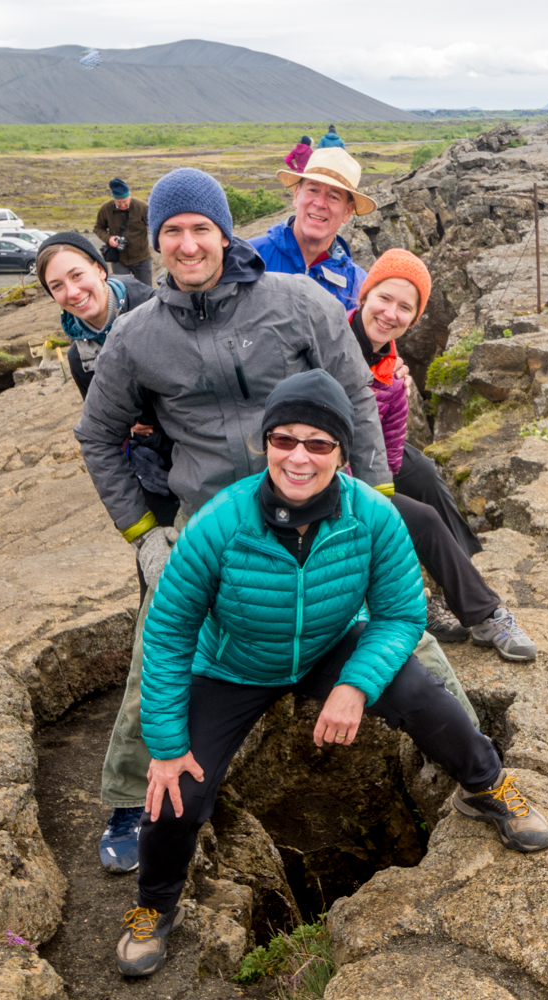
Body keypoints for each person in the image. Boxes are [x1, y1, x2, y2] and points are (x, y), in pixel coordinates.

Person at [111, 370, 548, 977]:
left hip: (326, 645)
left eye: (318, 443)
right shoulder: (219, 522)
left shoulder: (372, 515)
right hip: (233, 664)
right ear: (264, 444)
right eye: (284, 439)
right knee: (174, 793)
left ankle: (485, 787)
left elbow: (400, 615)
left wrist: (352, 685)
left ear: (342, 453)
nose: (299, 457)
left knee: (424, 694)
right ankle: (155, 907)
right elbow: (167, 632)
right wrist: (165, 745)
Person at [74, 166, 394, 875]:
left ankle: (480, 762)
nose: (188, 246)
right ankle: (131, 797)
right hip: (211, 519)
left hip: (320, 500)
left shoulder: (296, 301)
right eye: (172, 233)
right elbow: (96, 434)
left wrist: (378, 498)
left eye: (201, 229)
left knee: (403, 633)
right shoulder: (134, 337)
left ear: (224, 233)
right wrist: (144, 533)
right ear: (155, 244)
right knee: (158, 644)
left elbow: (355, 397)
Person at [349, 249, 536, 659]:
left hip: (367, 458)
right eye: (384, 298)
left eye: (405, 308)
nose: (390, 313)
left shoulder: (392, 370)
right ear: (365, 295)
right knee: (421, 517)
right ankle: (484, 613)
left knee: (426, 476)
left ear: (414, 320)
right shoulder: (330, 340)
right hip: (320, 466)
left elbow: (391, 454)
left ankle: (461, 583)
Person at [36, 231, 179, 531]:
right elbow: (106, 429)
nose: (72, 292)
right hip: (152, 467)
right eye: (57, 286)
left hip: (199, 450)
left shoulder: (158, 307)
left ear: (100, 269)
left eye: (77, 275)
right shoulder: (79, 359)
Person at [250, 147, 373, 313]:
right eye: (313, 190)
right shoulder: (248, 257)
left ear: (347, 211)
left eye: (333, 196)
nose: (320, 203)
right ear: (296, 195)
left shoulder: (357, 287)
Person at [94, 178, 154, 286]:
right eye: (119, 202)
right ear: (113, 198)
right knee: (122, 292)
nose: (122, 205)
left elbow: (154, 225)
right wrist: (109, 239)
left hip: (142, 259)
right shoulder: (106, 208)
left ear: (130, 195)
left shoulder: (142, 207)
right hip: (119, 260)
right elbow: (98, 228)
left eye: (125, 202)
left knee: (147, 293)